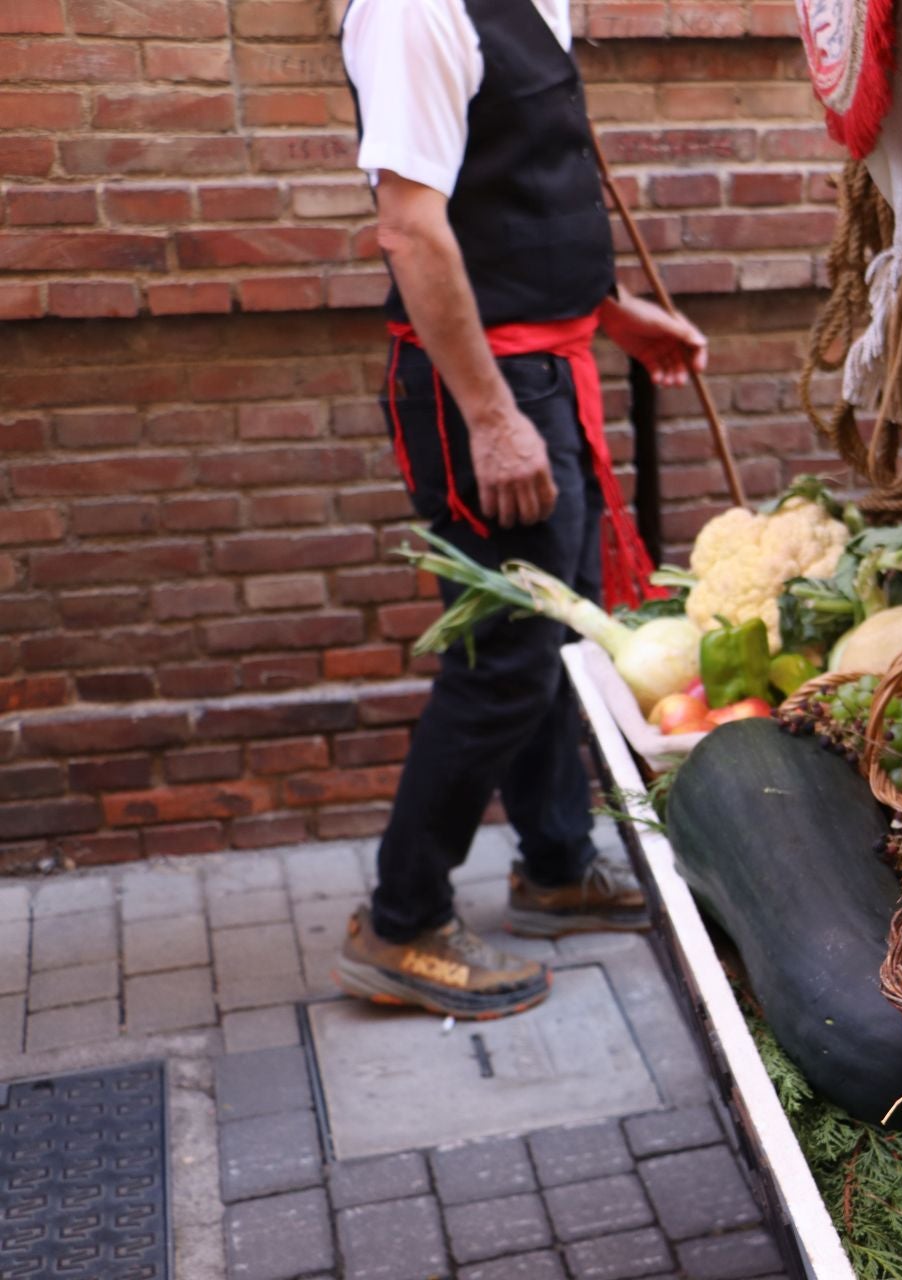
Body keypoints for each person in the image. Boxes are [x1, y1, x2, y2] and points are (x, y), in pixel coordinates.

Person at [331, 0, 709, 1019]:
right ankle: (400, 923)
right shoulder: (415, 12)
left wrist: (611, 310)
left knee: (561, 639)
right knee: (502, 661)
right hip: (485, 389)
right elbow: (411, 225)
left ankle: (554, 865)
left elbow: (511, 194)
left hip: (545, 365)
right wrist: (492, 419)